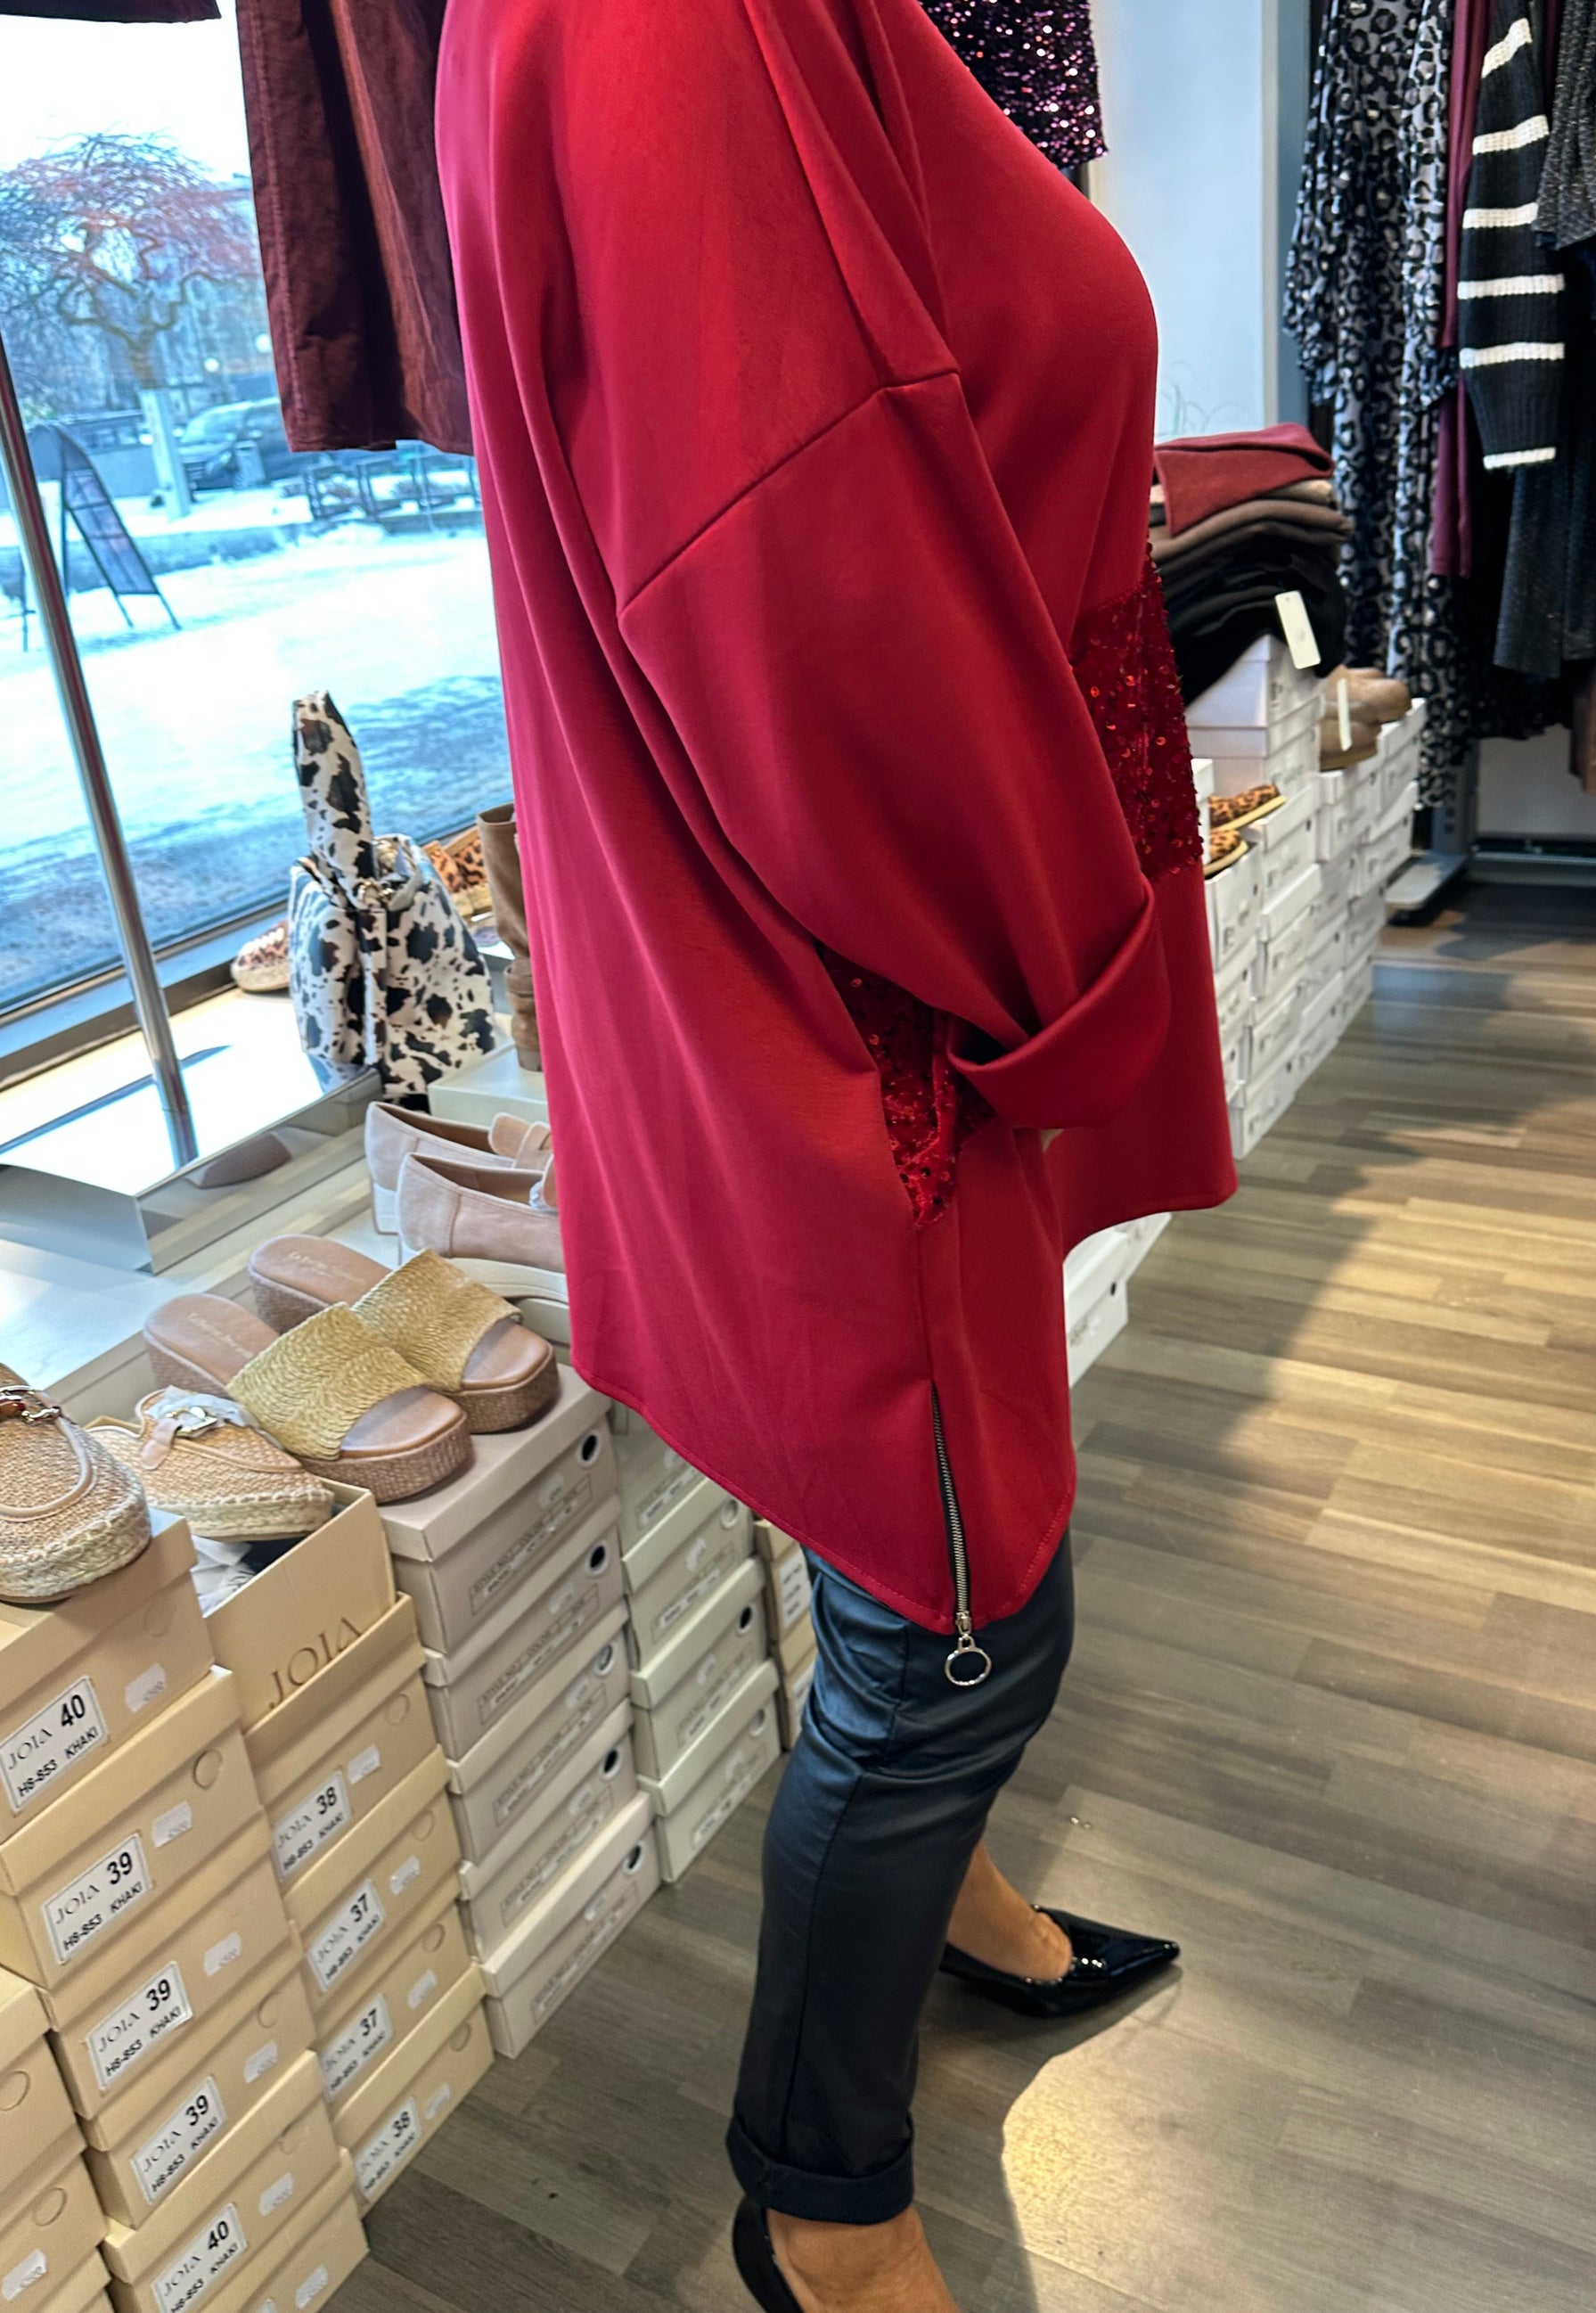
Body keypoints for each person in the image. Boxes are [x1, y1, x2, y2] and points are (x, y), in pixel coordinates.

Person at [435, 0, 1235, 2304]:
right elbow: (797, 583)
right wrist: (1063, 965)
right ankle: (821, 2198)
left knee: (912, 1560)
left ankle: (944, 1897)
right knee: (964, 1623)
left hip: (817, 959)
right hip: (857, 989)